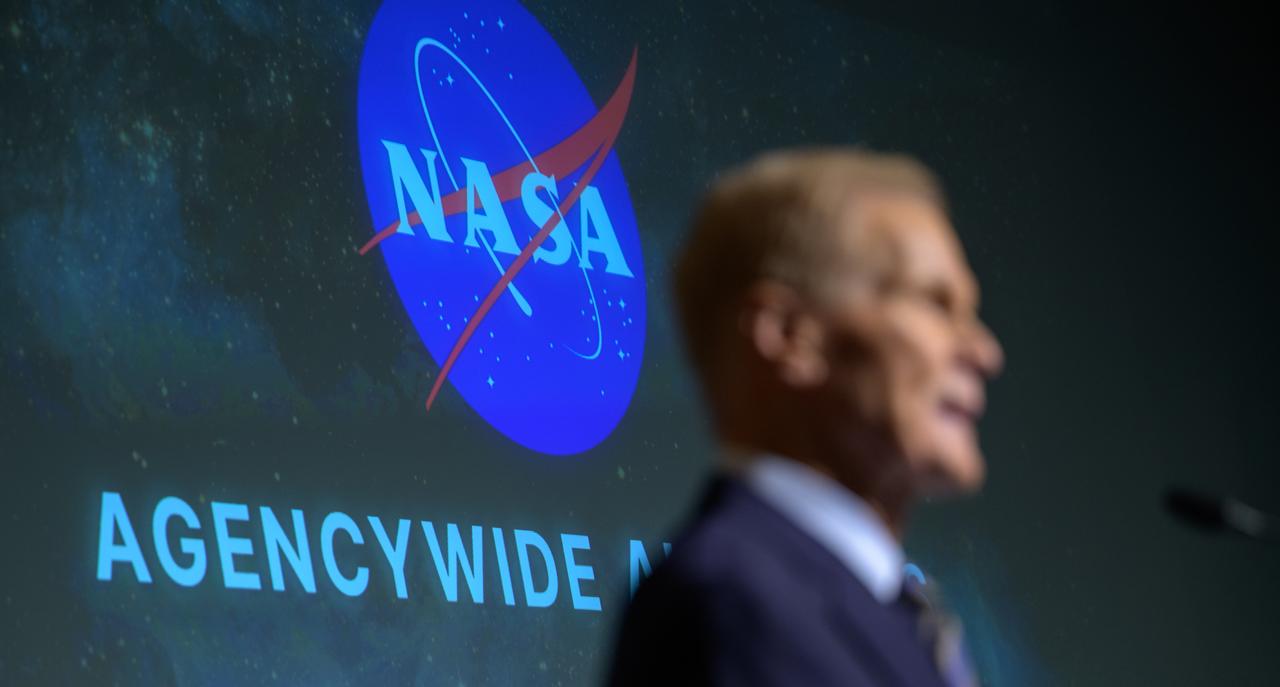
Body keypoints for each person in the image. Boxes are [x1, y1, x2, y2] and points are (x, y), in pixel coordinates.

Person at [607, 148, 1004, 686]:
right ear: (789, 335)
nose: (983, 352)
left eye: (969, 313)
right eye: (935, 304)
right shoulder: (737, 603)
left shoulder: (879, 609)